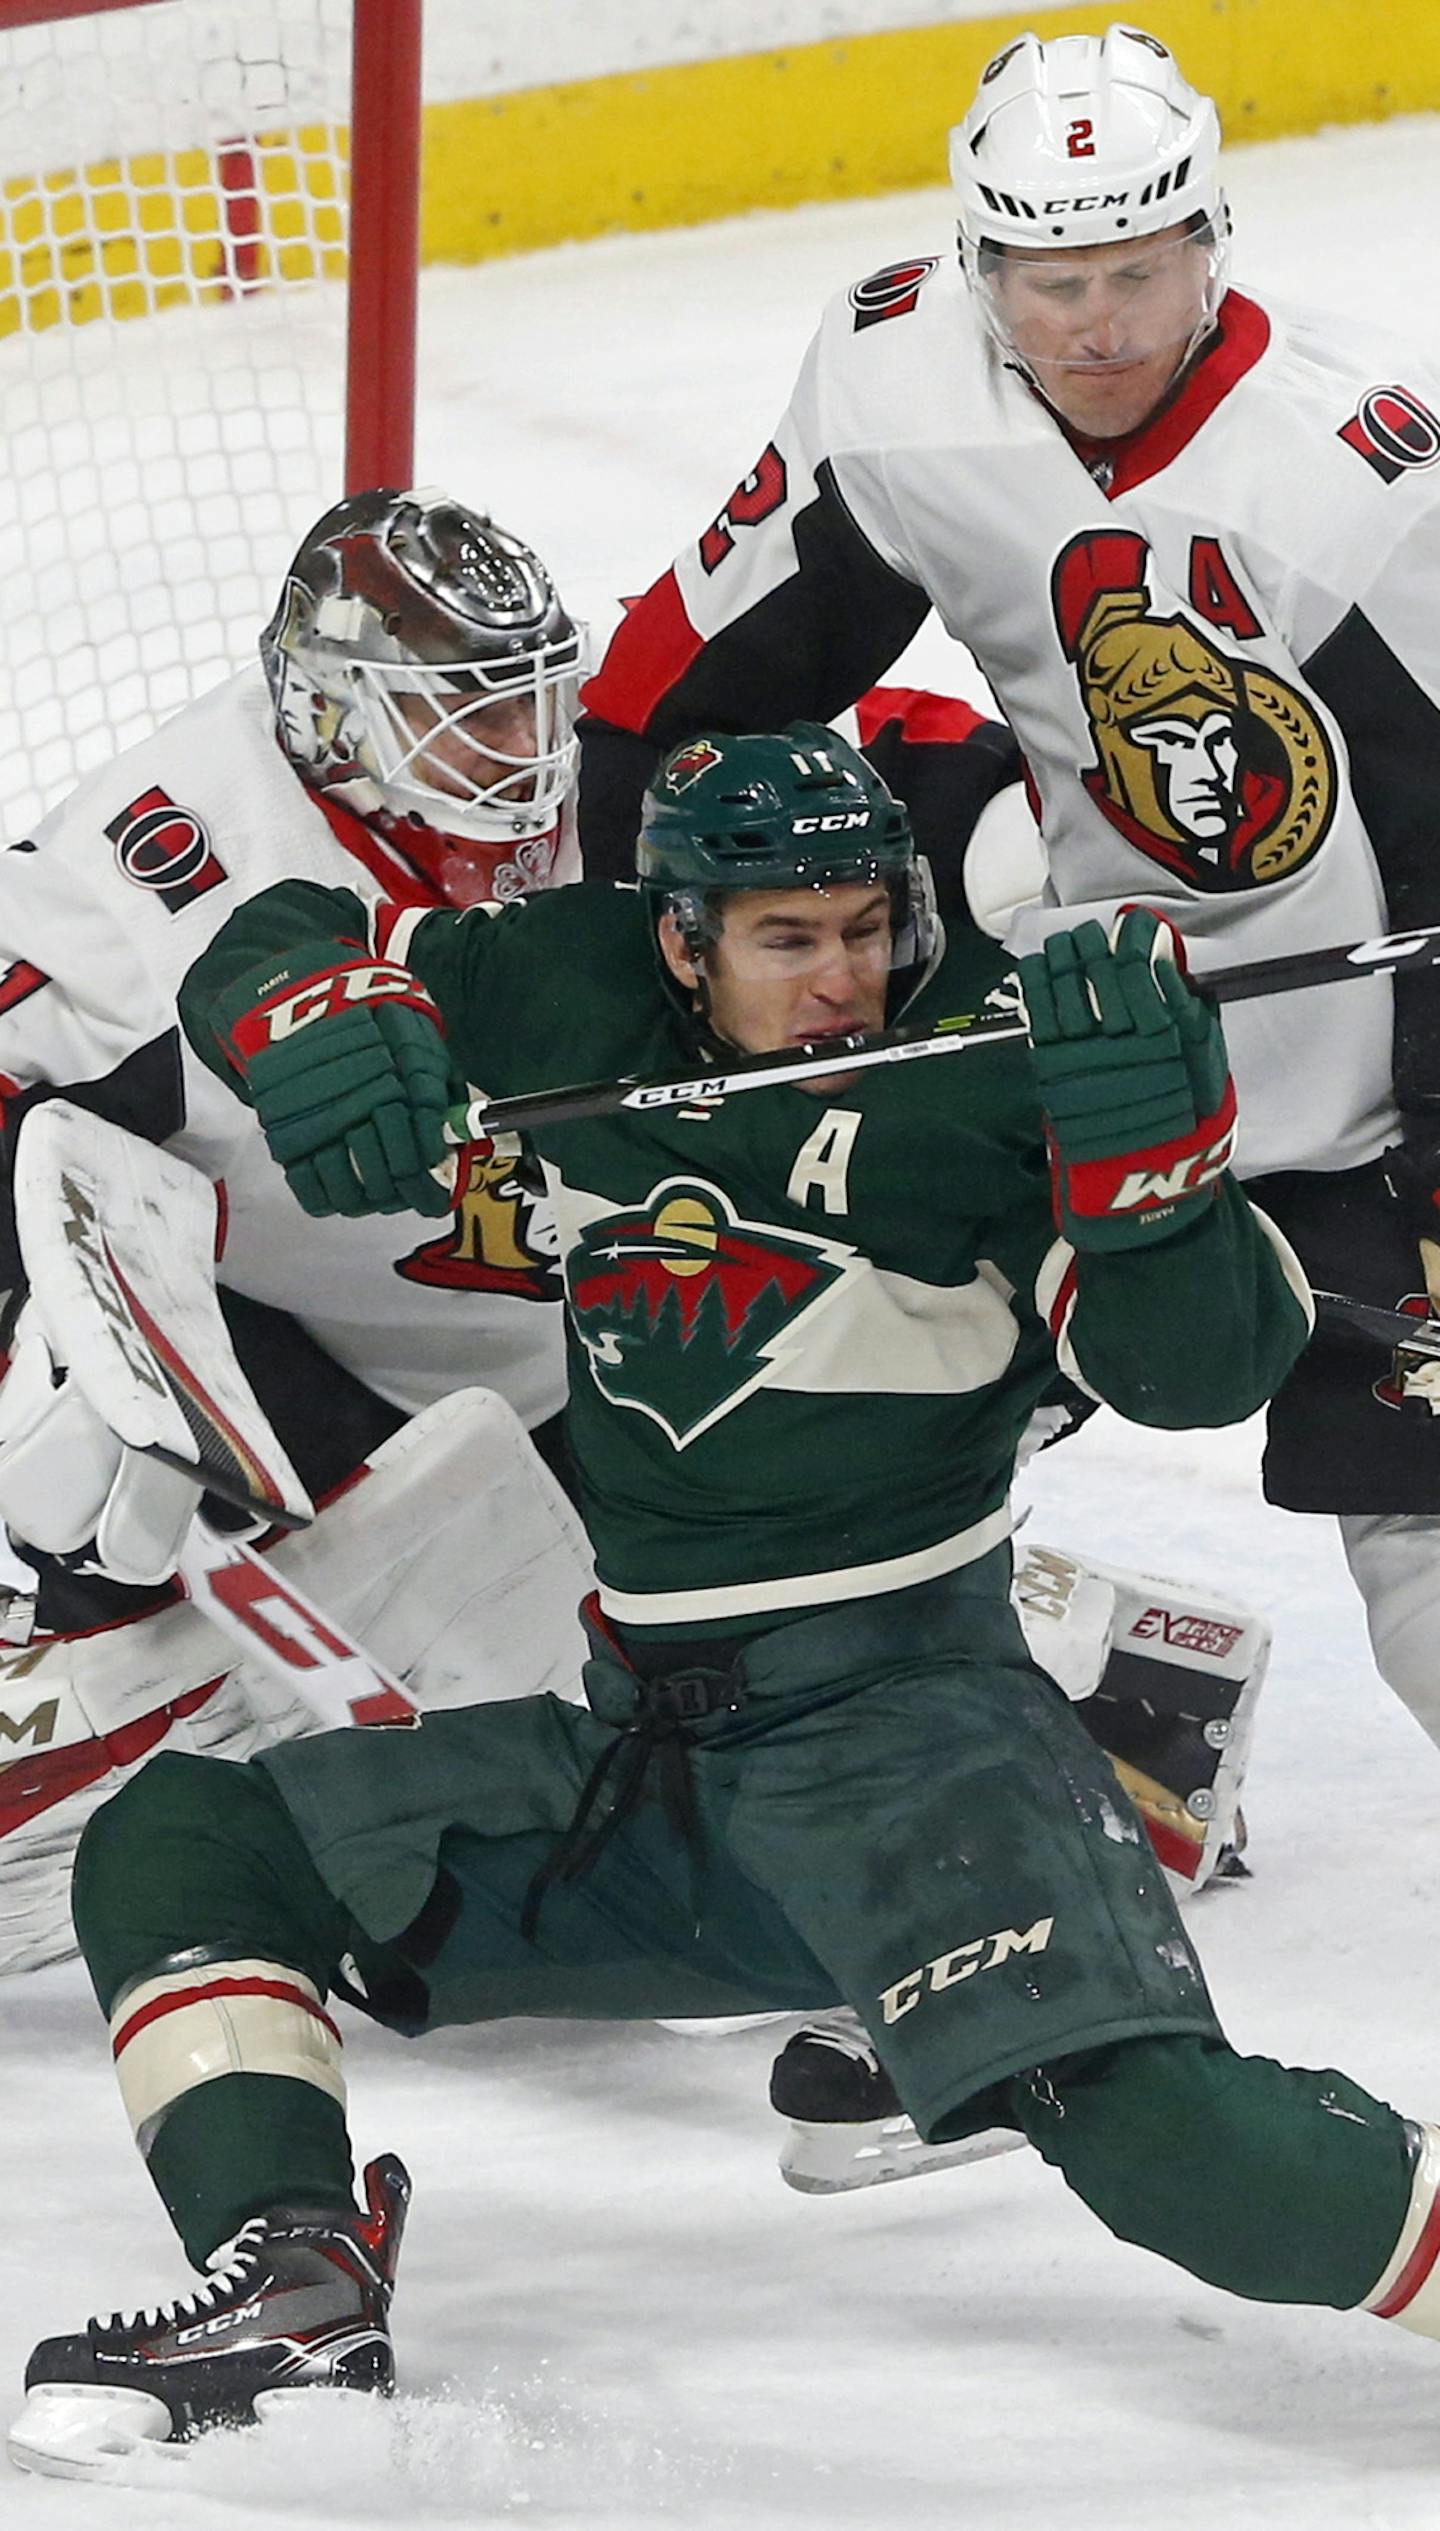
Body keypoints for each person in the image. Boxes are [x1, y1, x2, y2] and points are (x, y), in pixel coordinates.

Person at [14, 722, 1440, 2476]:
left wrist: (1159, 1191)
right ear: (678, 938)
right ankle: (296, 2278)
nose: (845, 977)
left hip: (912, 1747)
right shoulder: (568, 979)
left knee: (1194, 2167)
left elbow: (1203, 1372)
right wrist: (302, 1014)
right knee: (189, 1841)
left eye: (867, 925)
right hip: (650, 1763)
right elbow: (281, 926)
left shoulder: (996, 1060)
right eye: (787, 939)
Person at [575, 22, 1440, 1753]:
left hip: (1374, 1086)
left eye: (1136, 269)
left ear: (1212, 242)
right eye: (1047, 283)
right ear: (976, 267)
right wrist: (654, 989)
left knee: (1415, 1489)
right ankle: (986, 1676)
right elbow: (682, 701)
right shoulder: (895, 377)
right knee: (787, 1378)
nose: (1096, 326)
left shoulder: (1359, 480)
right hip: (1065, 1020)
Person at [0, 484, 595, 1975]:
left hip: (599, 1362)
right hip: (312, 1380)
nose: (528, 762)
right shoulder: (151, 873)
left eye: (534, 708)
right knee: (77, 1448)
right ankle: (97, 1651)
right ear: (339, 723)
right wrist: (66, 1335)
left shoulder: (621, 787)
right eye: (472, 721)